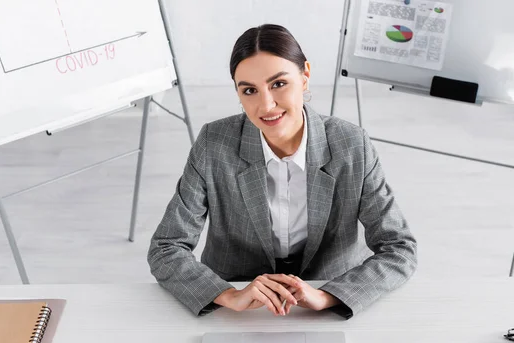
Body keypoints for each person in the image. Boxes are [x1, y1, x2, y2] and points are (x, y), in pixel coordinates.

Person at [147, 24, 417, 319]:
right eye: (249, 90)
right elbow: (166, 248)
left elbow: (398, 248)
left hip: (328, 298)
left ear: (305, 76)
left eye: (278, 84)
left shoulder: (352, 145)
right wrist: (229, 295)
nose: (266, 105)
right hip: (240, 307)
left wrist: (328, 296)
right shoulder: (214, 143)